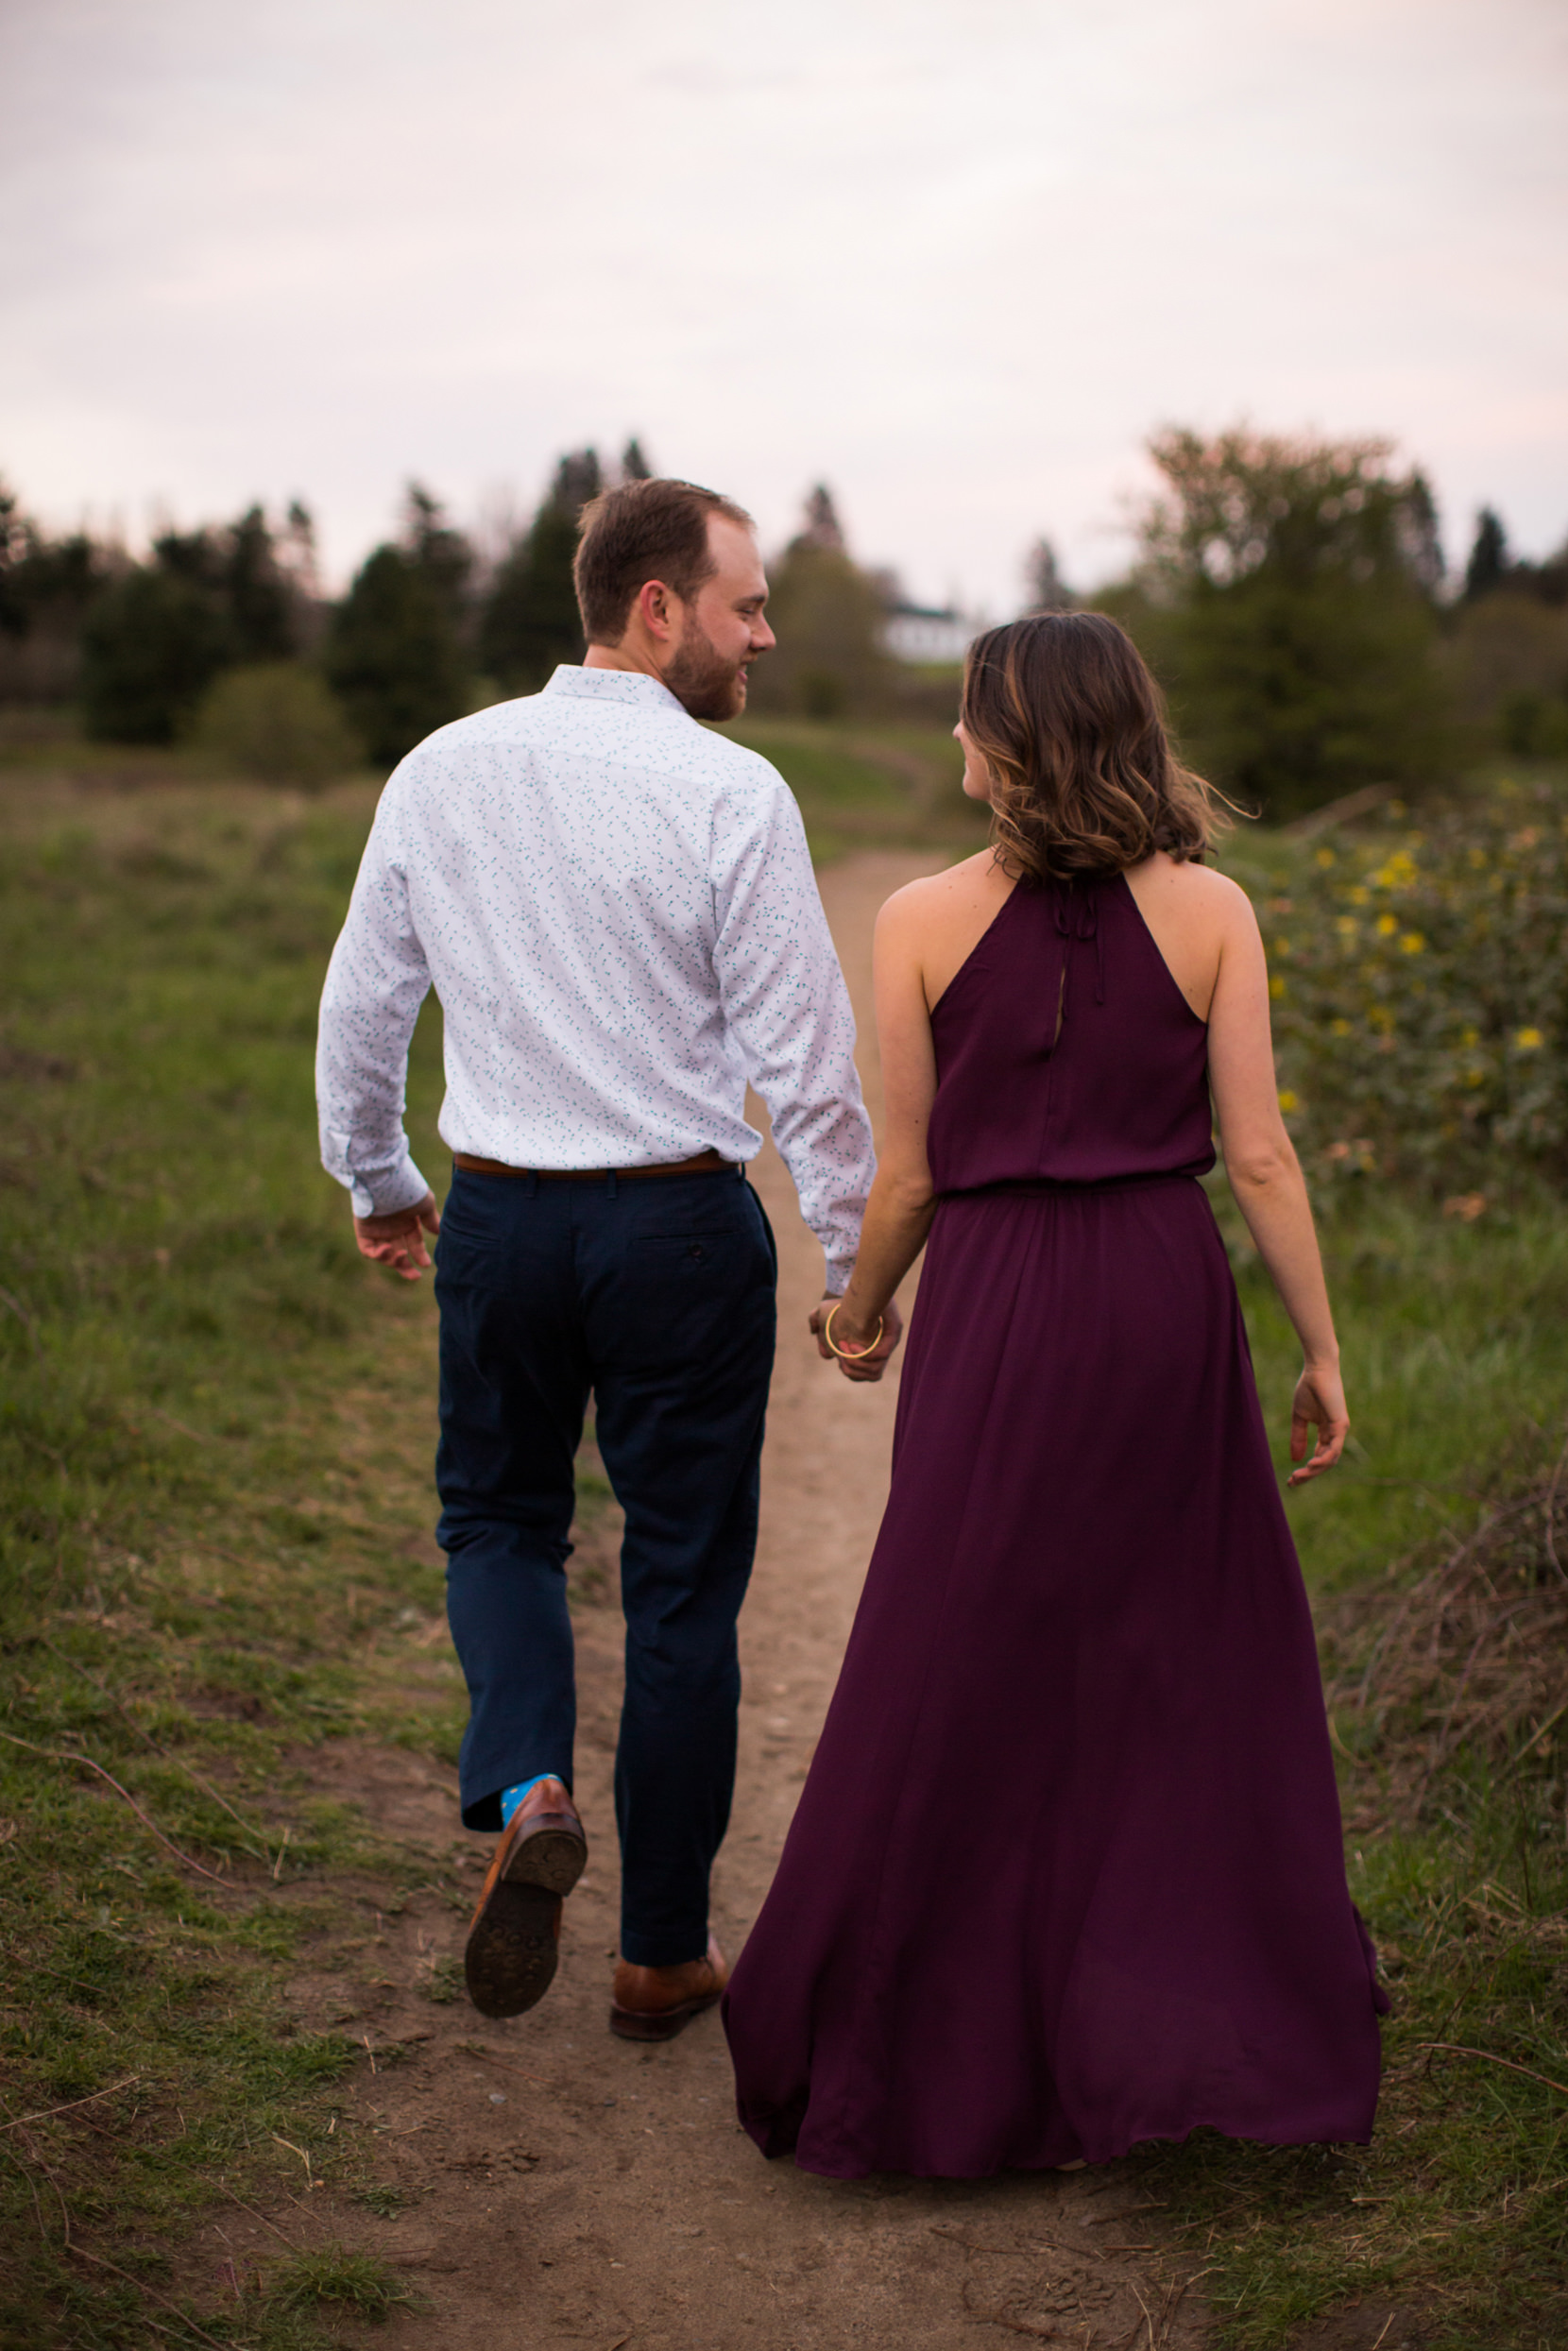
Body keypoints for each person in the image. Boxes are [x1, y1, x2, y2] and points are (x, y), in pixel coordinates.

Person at [724, 610, 1387, 2176]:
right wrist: (1321, 1345)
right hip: (1165, 1294)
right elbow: (1262, 1153)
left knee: (961, 1646)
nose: (956, 740)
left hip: (1007, 1307)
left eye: (969, 716)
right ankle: (1178, 2025)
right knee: (1179, 1662)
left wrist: (855, 1311)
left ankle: (942, 2051)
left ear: (1017, 737)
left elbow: (910, 1179)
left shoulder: (917, 918)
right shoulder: (1216, 907)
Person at [315, 477, 888, 2041]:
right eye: (745, 603)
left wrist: (379, 1173)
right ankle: (657, 1951)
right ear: (658, 606)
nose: (762, 632)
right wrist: (856, 1266)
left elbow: (366, 1001)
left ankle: (529, 1776)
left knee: (499, 1520)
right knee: (683, 1584)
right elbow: (804, 1057)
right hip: (680, 1229)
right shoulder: (732, 792)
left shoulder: (444, 767)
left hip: (501, 1216)